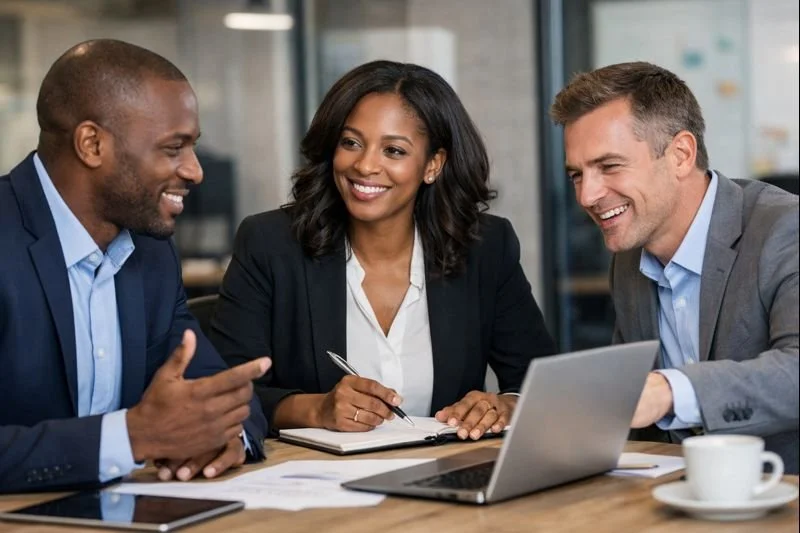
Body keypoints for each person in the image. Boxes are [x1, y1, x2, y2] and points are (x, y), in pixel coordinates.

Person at [209, 60, 555, 440]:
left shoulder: (485, 248)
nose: (365, 165)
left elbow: (538, 379)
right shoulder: (270, 243)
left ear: (433, 164)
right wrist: (316, 409)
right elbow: (224, 393)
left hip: (442, 478)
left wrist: (505, 404)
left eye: (393, 150)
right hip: (316, 483)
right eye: (351, 143)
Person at [0, 39, 271, 493]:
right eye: (173, 148)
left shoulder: (150, 250)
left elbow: (215, 390)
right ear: (92, 144)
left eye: (193, 147)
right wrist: (131, 438)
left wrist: (225, 438)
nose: (195, 171)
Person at [550, 61, 799, 472]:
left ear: (681, 155)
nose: (587, 195)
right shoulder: (630, 257)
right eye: (577, 174)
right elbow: (634, 412)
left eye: (609, 166)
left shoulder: (785, 229)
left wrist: (668, 390)